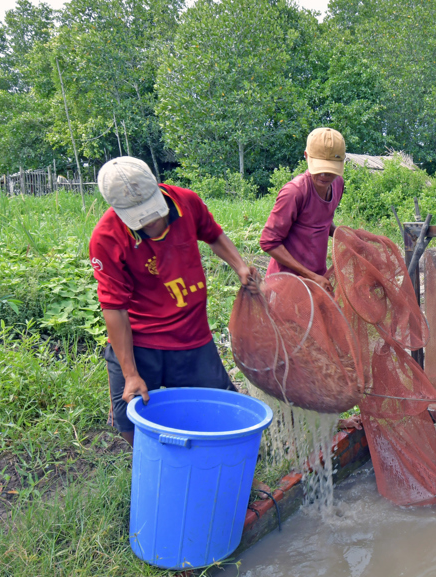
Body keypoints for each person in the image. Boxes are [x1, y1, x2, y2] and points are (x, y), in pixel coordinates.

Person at [89, 156, 257, 446]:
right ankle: (157, 466)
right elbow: (114, 308)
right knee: (129, 415)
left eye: (153, 211)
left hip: (192, 335)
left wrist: (240, 266)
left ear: (157, 189)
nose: (152, 221)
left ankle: (230, 471)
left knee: (222, 408)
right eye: (140, 217)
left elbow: (213, 234)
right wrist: (130, 373)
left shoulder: (187, 202)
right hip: (140, 341)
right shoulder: (106, 237)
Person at [259, 127, 346, 293]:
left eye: (330, 169)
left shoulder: (337, 184)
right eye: (319, 167)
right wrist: (311, 276)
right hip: (285, 283)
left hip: (317, 279)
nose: (324, 175)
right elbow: (268, 242)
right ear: (306, 156)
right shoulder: (295, 192)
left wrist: (345, 237)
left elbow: (322, 221)